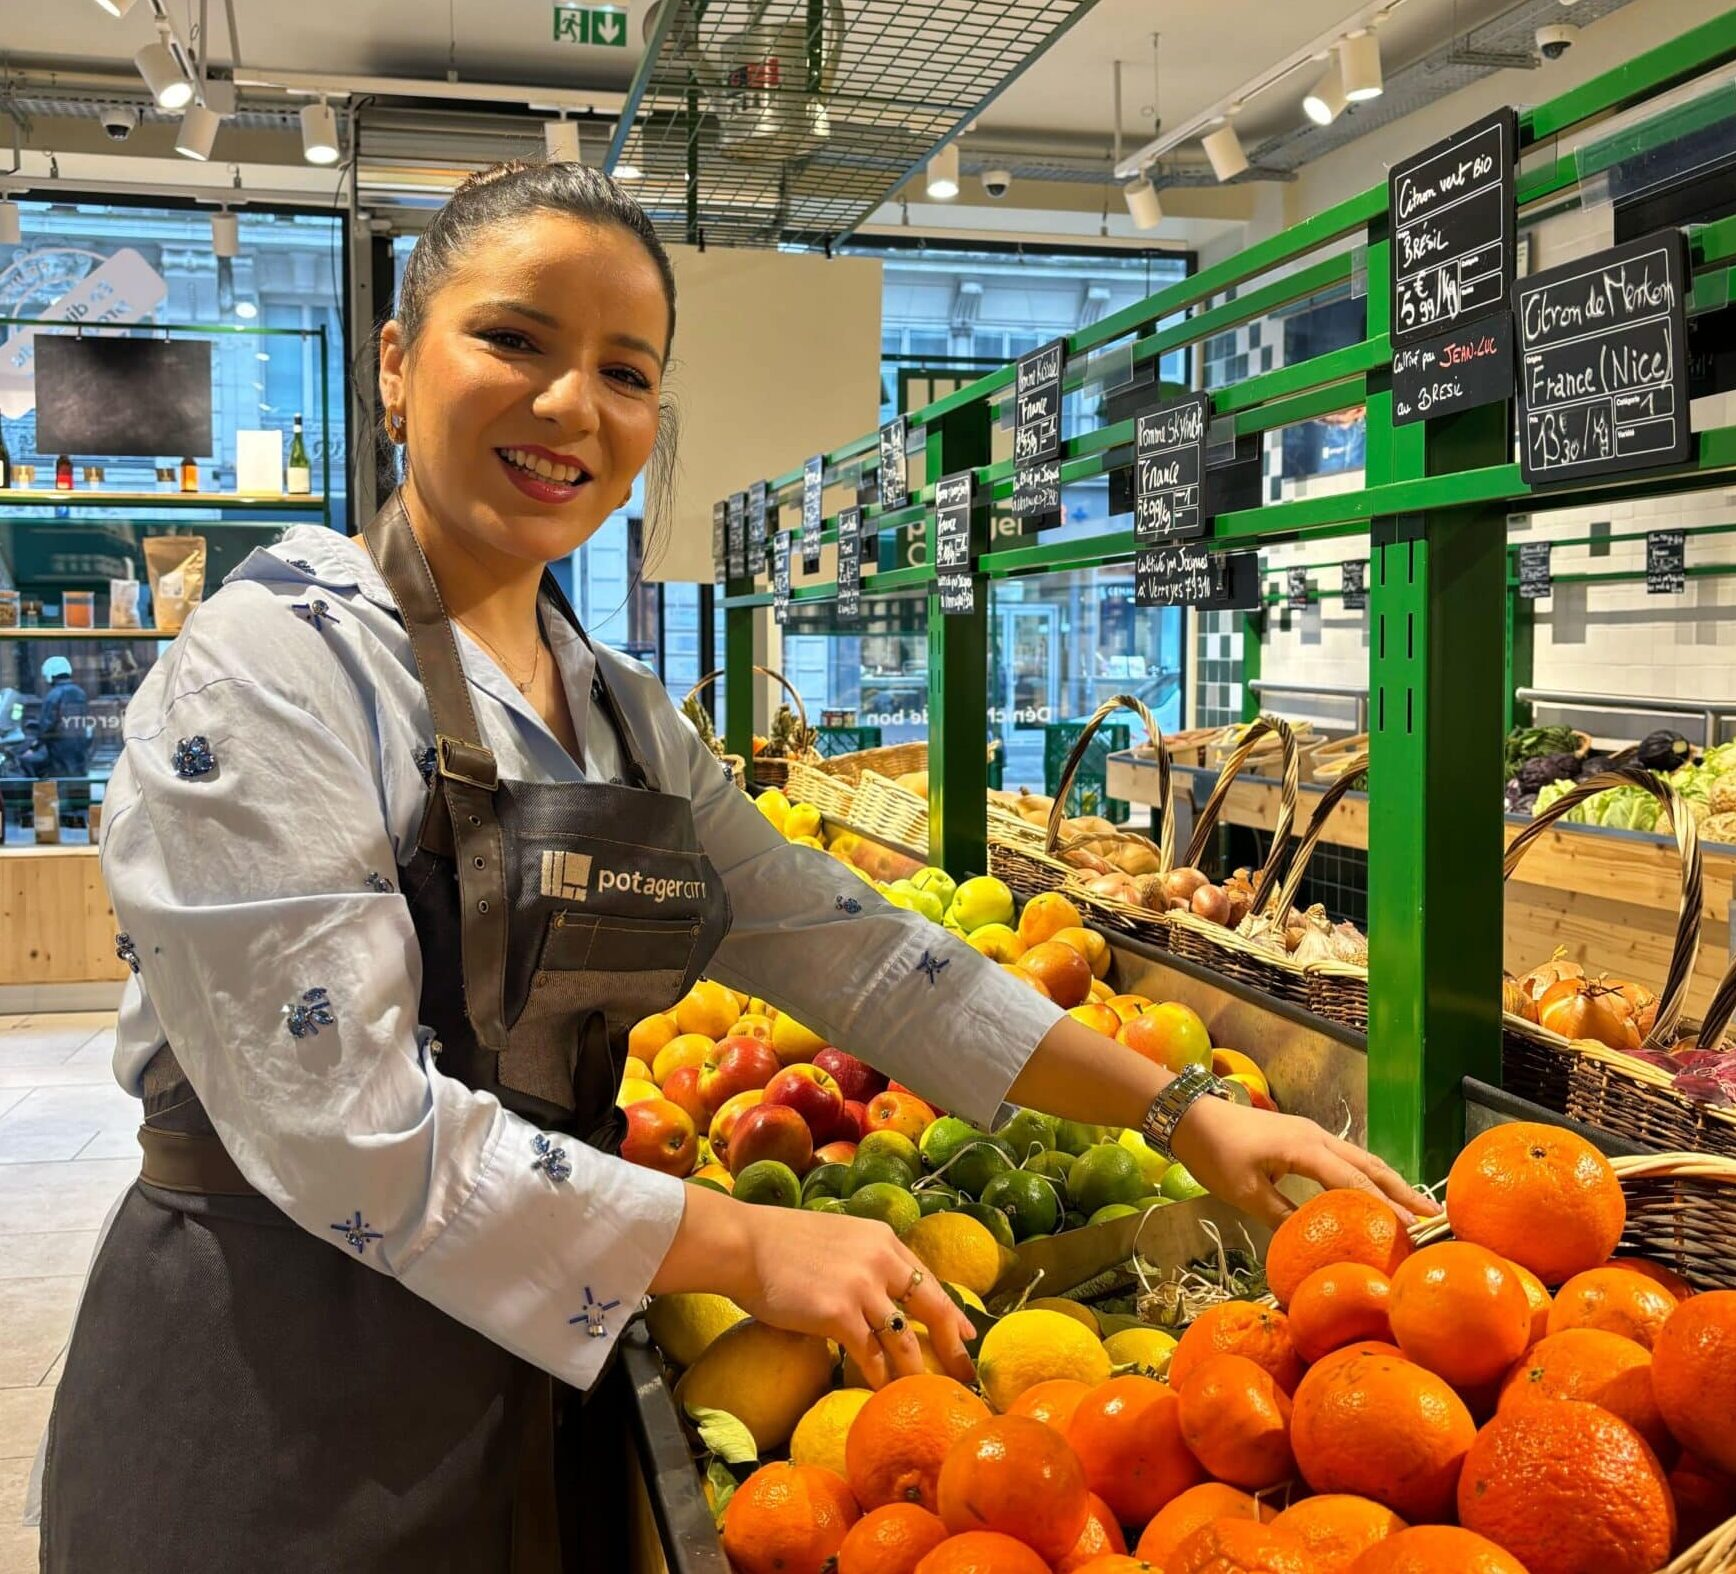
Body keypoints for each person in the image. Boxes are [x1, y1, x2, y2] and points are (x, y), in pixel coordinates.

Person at [38, 163, 1430, 1573]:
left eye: (624, 371)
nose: (572, 404)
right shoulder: (276, 662)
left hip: (527, 1375)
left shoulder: (622, 717)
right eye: (515, 340)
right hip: (278, 1381)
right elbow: (339, 1120)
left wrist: (1182, 1108)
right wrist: (740, 1239)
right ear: (395, 365)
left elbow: (861, 950)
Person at [25, 656, 89, 780]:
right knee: (78, 780)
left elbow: (47, 725)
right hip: (79, 744)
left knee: (60, 781)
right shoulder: (80, 692)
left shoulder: (53, 695)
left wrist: (34, 746)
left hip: (59, 747)